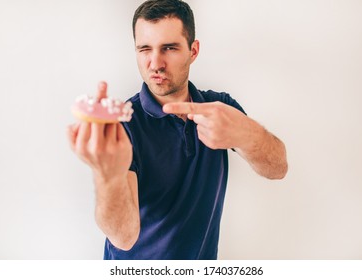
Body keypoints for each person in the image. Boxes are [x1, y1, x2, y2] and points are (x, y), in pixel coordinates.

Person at [67, 0, 288, 260]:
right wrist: (107, 175)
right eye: (144, 49)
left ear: (193, 51)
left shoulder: (219, 108)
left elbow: (278, 168)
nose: (155, 63)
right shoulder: (123, 125)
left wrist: (248, 135)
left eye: (169, 48)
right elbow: (124, 237)